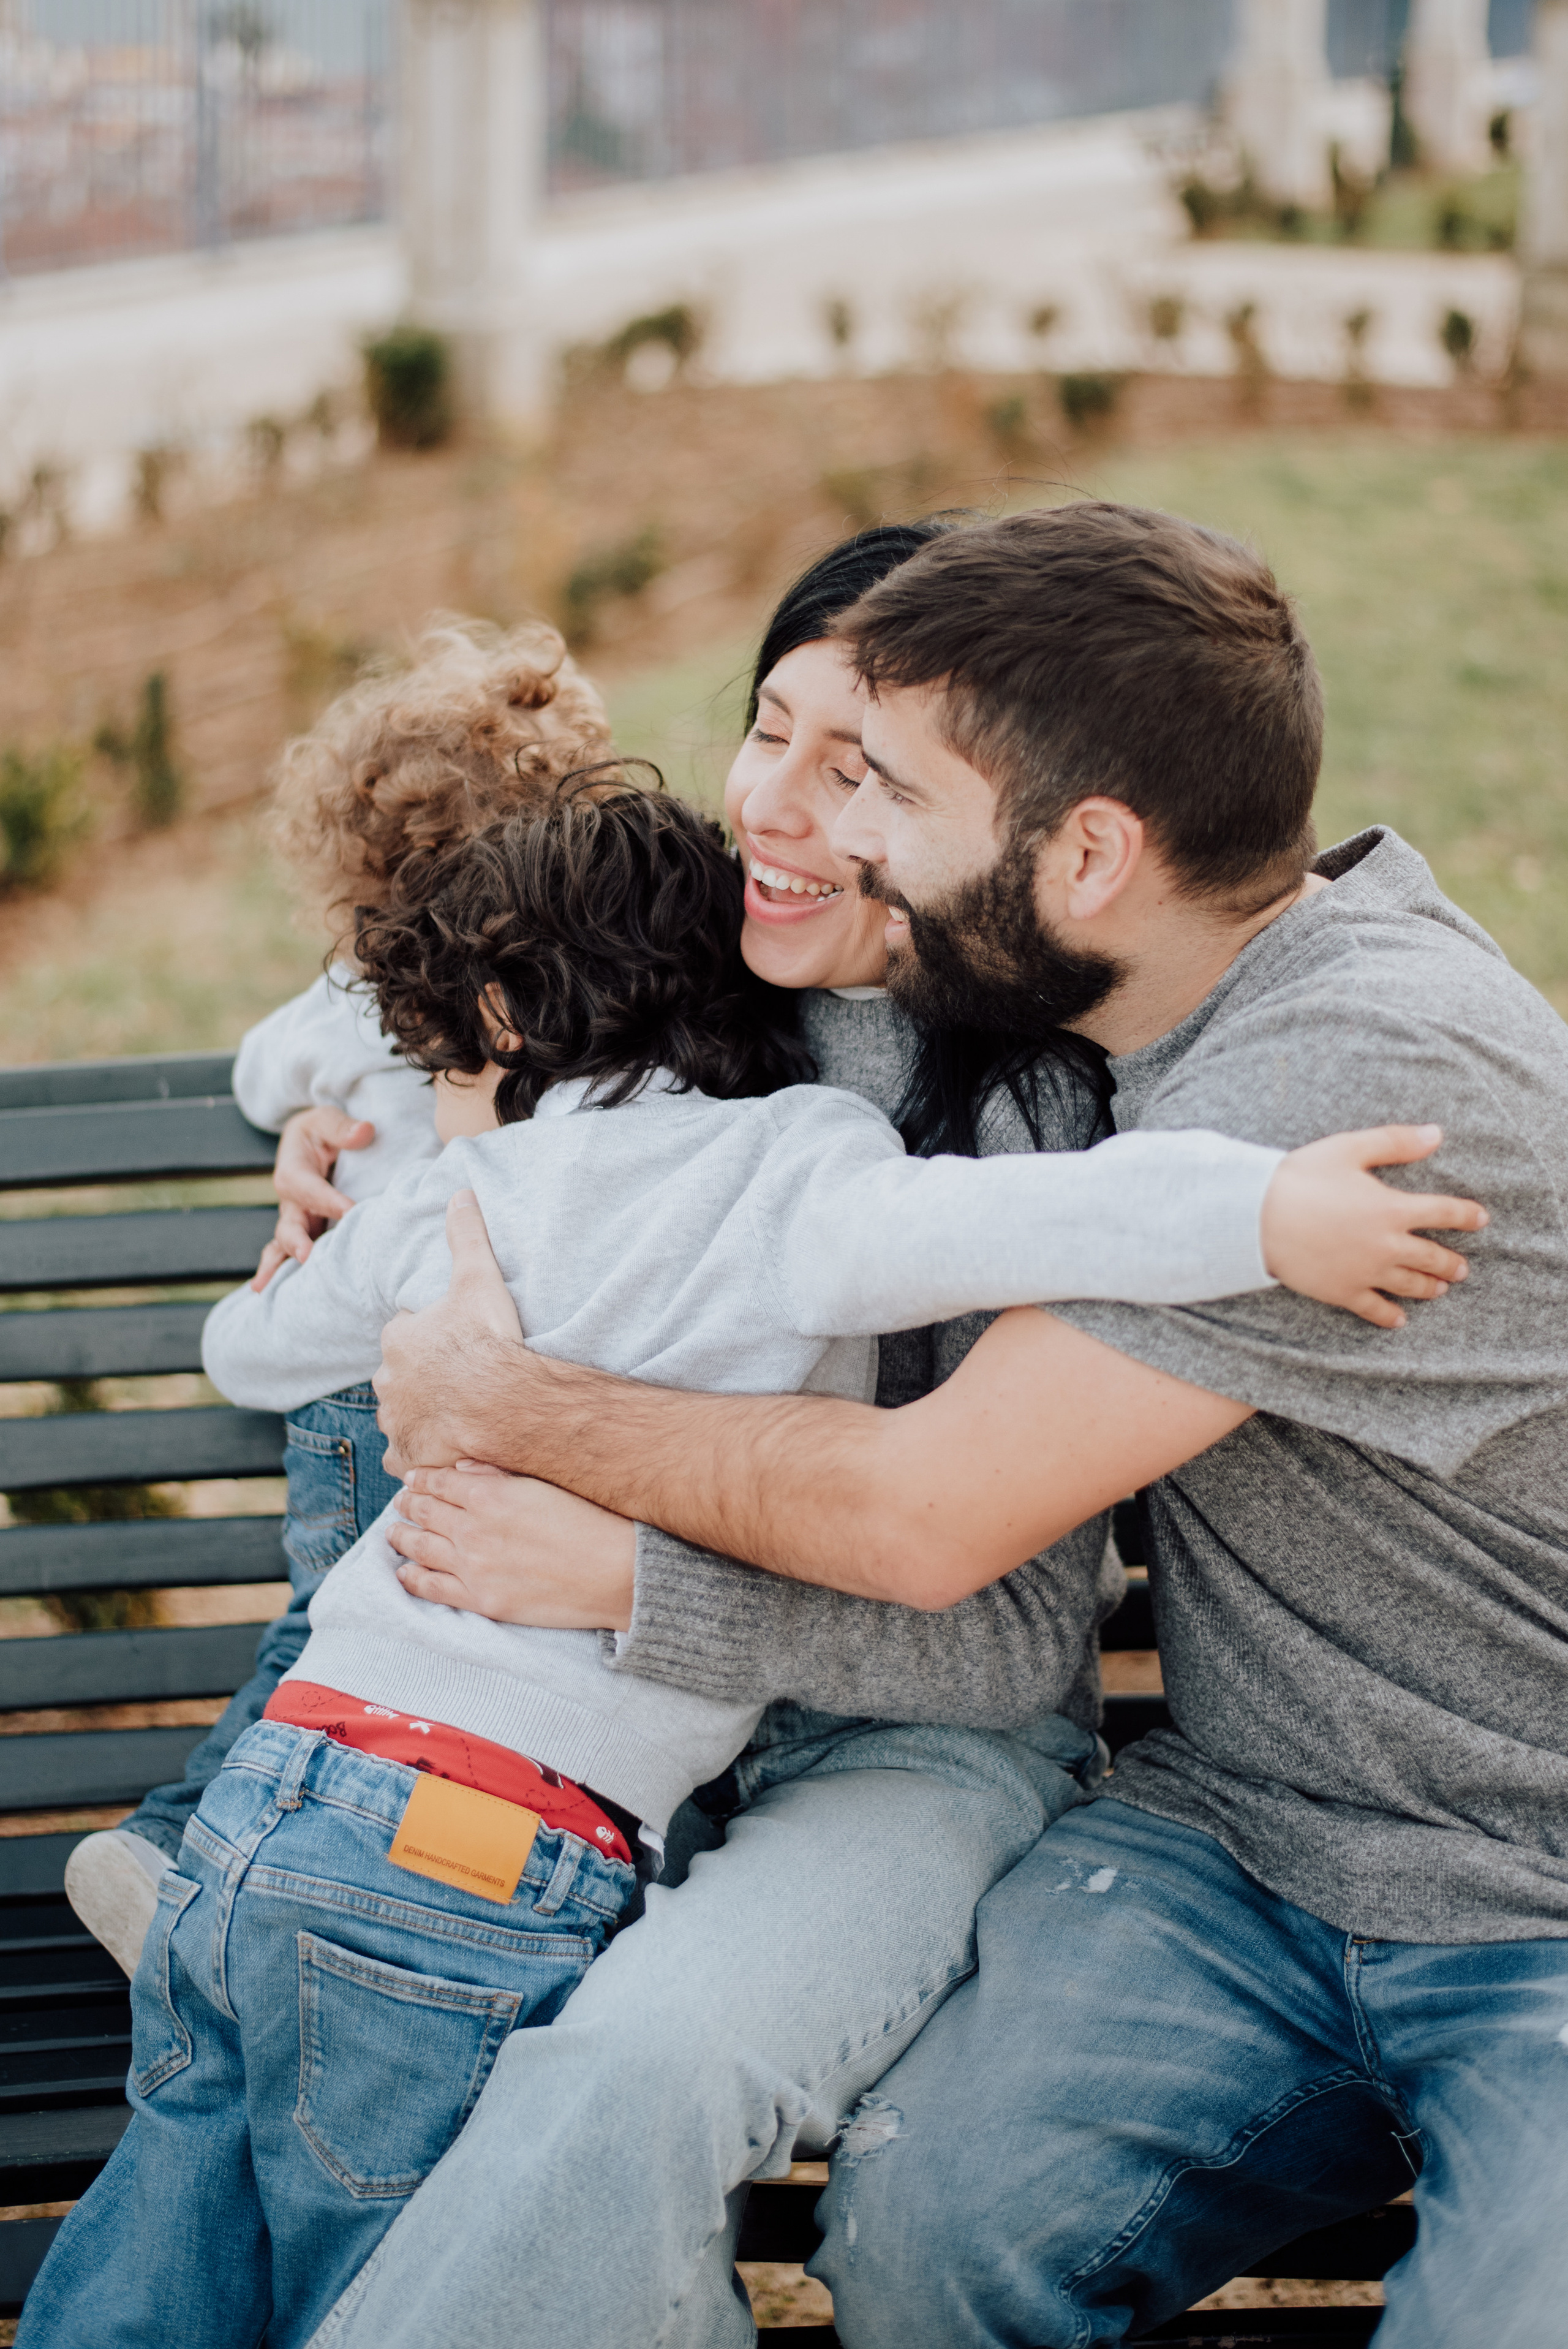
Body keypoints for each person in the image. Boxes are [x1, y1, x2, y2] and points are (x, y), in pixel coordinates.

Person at [18, 770, 1445, 2349]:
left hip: (272, 1804)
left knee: (172, 2230)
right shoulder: (795, 1169)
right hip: (477, 1846)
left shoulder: (462, 1192)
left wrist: (350, 1227)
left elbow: (253, 1348)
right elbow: (1051, 1220)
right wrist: (1269, 1210)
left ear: (500, 1024)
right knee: (395, 2260)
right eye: (770, 732)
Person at [364, 502, 1567, 2348]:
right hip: (1249, 1851)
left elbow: (925, 1516)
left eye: (892, 792)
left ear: (1087, 854)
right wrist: (379, 1121)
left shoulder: (1326, 1099)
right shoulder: (1130, 1027)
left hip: (1536, 1891)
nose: (840, 832)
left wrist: (510, 1404)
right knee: (932, 2238)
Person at [64, 617, 612, 1976]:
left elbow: (263, 1070)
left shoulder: (362, 986)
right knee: (378, 1649)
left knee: (345, 1636)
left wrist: (312, 1103)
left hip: (358, 1393)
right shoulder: (583, 994)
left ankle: (217, 1859)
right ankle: (198, 1858)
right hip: (485, 1385)